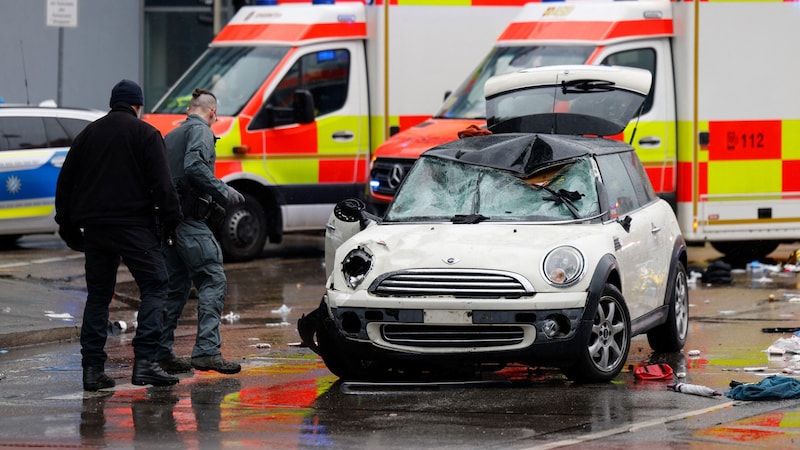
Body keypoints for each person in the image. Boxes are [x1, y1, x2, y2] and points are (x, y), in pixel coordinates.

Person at [55, 79, 183, 391]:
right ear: (138, 105)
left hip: (96, 228)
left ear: (113, 103)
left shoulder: (88, 134)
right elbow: (163, 186)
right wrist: (172, 221)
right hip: (134, 226)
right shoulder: (146, 134)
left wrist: (68, 227)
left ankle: (92, 370)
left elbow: (66, 182)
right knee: (155, 285)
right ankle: (146, 362)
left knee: (99, 295)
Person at [156, 88, 245, 375]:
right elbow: (194, 166)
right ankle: (207, 350)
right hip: (190, 222)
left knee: (177, 287)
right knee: (212, 279)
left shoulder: (171, 137)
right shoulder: (203, 132)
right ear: (211, 112)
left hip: (168, 224)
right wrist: (224, 192)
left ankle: (161, 352)